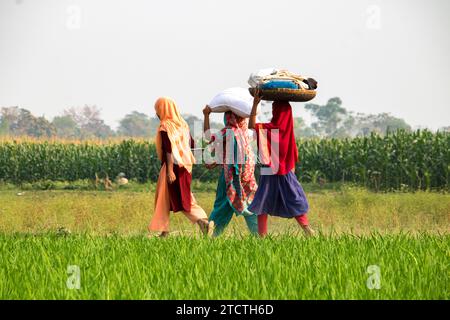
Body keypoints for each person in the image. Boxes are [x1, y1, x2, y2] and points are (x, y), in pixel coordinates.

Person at [248, 90, 315, 237]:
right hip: (286, 172)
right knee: (294, 199)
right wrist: (291, 169)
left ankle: (262, 236)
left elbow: (251, 125)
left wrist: (255, 104)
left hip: (269, 172)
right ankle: (307, 230)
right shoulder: (288, 131)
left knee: (262, 202)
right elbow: (293, 153)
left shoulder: (272, 129)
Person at [148, 97, 213, 237]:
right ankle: (164, 231)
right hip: (185, 167)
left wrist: (170, 170)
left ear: (162, 109)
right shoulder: (182, 124)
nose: (157, 113)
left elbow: (168, 149)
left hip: (173, 168)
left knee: (181, 199)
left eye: (157, 110)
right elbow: (193, 145)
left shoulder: (165, 126)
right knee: (164, 197)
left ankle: (203, 223)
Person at [203, 106, 258, 237]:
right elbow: (254, 127)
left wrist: (206, 115)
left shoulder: (226, 132)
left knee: (222, 206)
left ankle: (213, 235)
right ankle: (260, 236)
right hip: (247, 176)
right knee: (251, 205)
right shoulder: (247, 133)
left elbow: (207, 136)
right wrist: (255, 104)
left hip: (229, 177)